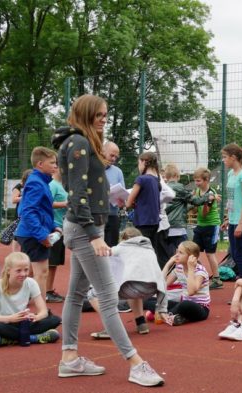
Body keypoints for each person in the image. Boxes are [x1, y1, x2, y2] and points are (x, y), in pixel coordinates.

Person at [52, 94, 163, 386]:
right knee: (107, 296)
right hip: (85, 230)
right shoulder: (78, 142)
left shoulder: (82, 142)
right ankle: (135, 362)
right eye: (99, 115)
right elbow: (76, 194)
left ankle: (69, 358)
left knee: (76, 295)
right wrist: (93, 236)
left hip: (85, 228)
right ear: (86, 114)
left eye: (105, 114)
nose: (104, 119)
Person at [89, 227, 168, 338]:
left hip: (134, 288)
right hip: (151, 289)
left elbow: (104, 253)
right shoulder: (150, 250)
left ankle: (113, 327)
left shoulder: (122, 247)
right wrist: (162, 308)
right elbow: (161, 278)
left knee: (93, 294)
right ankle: (141, 324)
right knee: (131, 285)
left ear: (124, 238)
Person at [0, 252, 61, 347]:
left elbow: (43, 311)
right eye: (18, 271)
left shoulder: (31, 283)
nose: (23, 274)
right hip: (4, 323)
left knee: (55, 319)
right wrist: (9, 319)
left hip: (23, 322)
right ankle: (34, 338)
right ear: (8, 270)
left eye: (26, 270)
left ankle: (7, 340)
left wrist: (36, 317)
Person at [15, 146, 61, 298]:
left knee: (35, 272)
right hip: (33, 234)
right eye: (52, 162)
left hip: (33, 232)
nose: (56, 166)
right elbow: (28, 211)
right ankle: (41, 312)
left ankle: (24, 305)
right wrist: (42, 235)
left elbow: (42, 210)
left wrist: (54, 226)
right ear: (40, 164)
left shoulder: (42, 182)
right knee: (40, 273)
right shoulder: (36, 183)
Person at [221, 143, 242, 279]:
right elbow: (232, 199)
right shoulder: (230, 174)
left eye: (225, 157)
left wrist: (241, 223)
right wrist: (228, 218)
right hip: (233, 218)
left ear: (233, 157)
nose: (223, 160)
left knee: (240, 254)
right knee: (235, 254)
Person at [161, 240, 211, 326]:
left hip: (200, 308)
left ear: (191, 257)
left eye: (181, 253)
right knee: (150, 299)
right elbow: (162, 285)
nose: (177, 255)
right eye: (177, 251)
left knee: (185, 305)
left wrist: (191, 268)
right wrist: (168, 263)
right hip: (182, 304)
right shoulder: (179, 268)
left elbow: (191, 292)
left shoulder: (200, 271)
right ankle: (177, 317)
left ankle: (163, 313)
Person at [190, 167, 223, 289]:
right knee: (193, 252)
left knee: (210, 254)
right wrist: (194, 202)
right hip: (200, 225)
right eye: (195, 180)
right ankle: (197, 274)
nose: (196, 183)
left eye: (198, 181)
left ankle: (217, 279)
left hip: (211, 225)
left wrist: (204, 201)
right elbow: (194, 210)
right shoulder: (197, 191)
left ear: (206, 180)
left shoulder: (211, 193)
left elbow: (204, 213)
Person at [126, 151, 162, 259]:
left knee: (140, 252)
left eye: (138, 163)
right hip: (154, 222)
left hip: (142, 222)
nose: (138, 167)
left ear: (144, 162)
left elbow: (128, 203)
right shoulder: (156, 180)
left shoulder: (141, 179)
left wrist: (128, 203)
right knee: (151, 251)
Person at [46, 170, 68, 303]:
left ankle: (48, 290)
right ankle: (45, 292)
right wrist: (66, 204)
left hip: (61, 228)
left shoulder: (61, 185)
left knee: (54, 263)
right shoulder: (52, 184)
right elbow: (47, 203)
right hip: (53, 227)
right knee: (49, 262)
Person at [103, 141, 124, 247]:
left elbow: (122, 194)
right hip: (96, 216)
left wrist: (122, 201)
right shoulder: (91, 168)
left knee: (112, 248)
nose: (114, 159)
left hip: (113, 215)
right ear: (103, 151)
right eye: (112, 155)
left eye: (116, 157)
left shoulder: (118, 172)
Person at [10, 169, 33, 252]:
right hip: (20, 213)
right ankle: (15, 253)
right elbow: (14, 199)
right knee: (17, 234)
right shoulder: (19, 186)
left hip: (29, 211)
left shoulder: (33, 186)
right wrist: (26, 197)